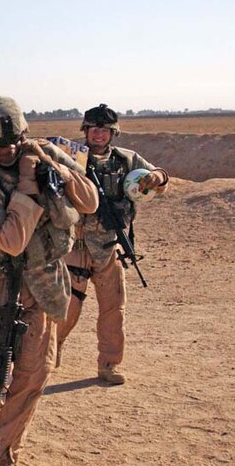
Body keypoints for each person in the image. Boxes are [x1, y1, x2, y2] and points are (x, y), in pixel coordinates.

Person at [0, 96, 98, 466]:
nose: (10, 149)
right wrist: (27, 182)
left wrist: (51, 167)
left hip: (46, 280)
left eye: (16, 139)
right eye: (0, 144)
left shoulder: (42, 153)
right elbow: (12, 241)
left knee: (35, 371)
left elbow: (89, 201)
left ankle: (5, 456)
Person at [55, 104, 170, 385]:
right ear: (85, 131)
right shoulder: (72, 157)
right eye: (93, 129)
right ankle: (47, 354)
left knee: (114, 310)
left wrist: (156, 178)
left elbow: (160, 180)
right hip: (77, 247)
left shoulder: (127, 160)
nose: (98, 135)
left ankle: (108, 364)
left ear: (113, 133)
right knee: (66, 309)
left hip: (110, 246)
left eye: (104, 130)